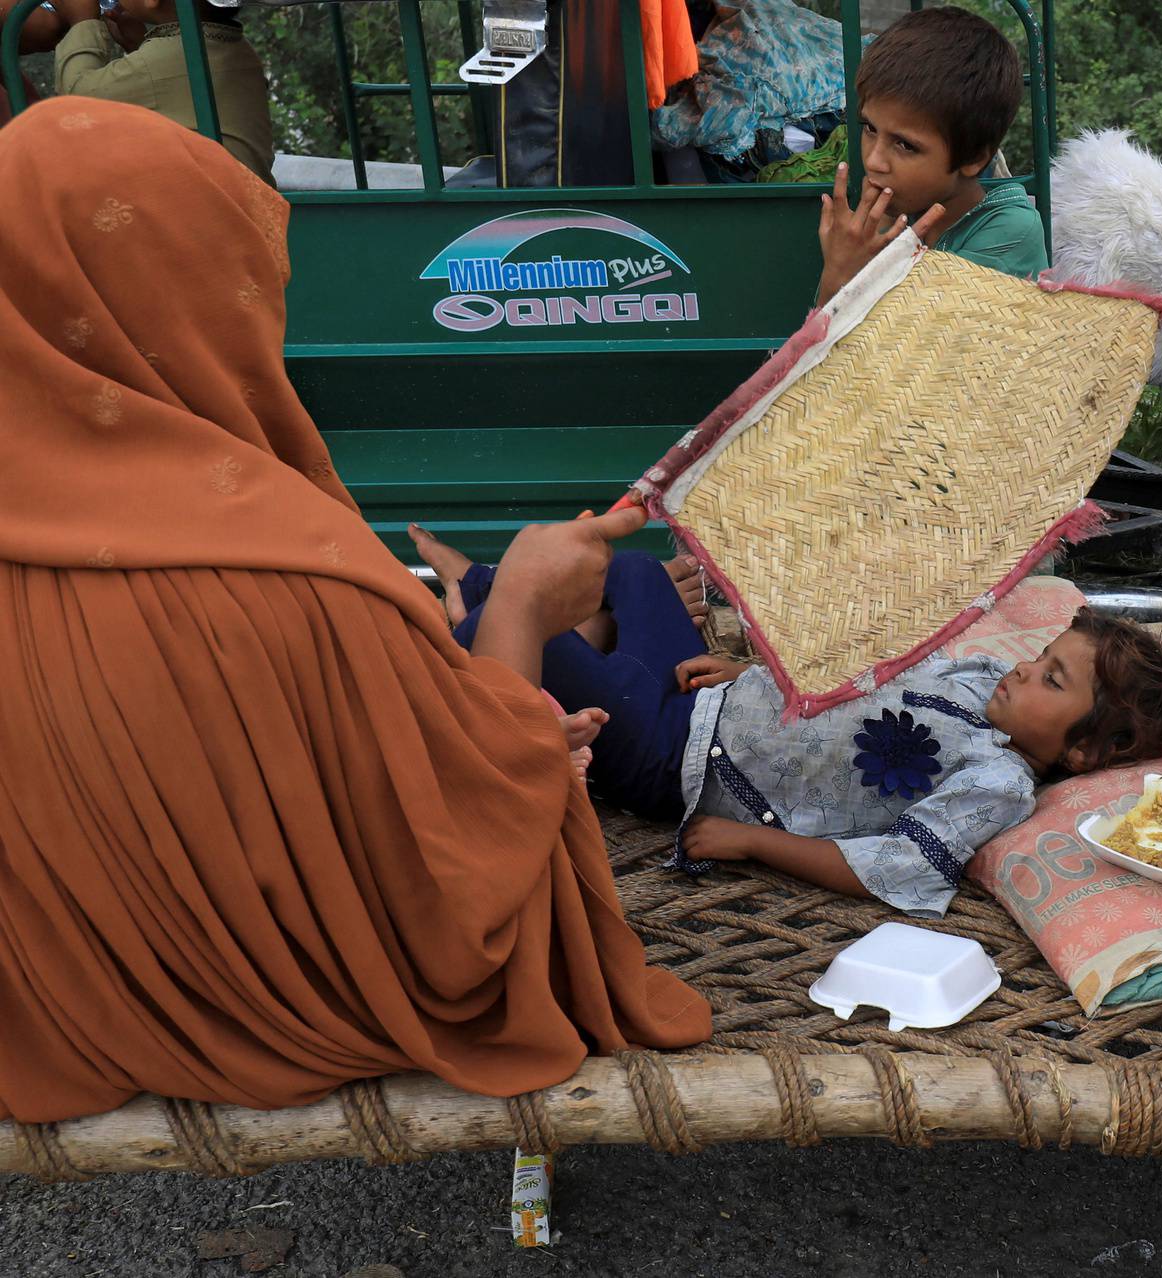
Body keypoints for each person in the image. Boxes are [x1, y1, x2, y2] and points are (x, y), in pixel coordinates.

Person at [0, 100, 710, 1125]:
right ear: (180, 302)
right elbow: (456, 911)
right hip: (292, 1009)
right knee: (628, 592)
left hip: (68, 1020)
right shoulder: (297, 583)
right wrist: (516, 610)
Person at [408, 527, 1162, 916]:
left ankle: (476, 607)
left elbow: (906, 864)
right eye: (1039, 655)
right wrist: (750, 673)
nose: (1021, 667)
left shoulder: (997, 782)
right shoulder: (979, 683)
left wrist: (756, 842)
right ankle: (507, 601)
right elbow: (859, 687)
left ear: (1079, 751)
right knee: (631, 571)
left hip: (672, 757)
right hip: (699, 694)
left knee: (500, 632)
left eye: (1050, 679)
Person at [813, 6, 1047, 305]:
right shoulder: (903, 212)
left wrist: (843, 275)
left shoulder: (1009, 232)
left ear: (973, 158)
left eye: (905, 146)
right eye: (870, 128)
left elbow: (913, 341)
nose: (873, 161)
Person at [46, 0, 273, 184]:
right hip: (247, 207)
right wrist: (140, 45)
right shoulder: (233, 47)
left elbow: (78, 97)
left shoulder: (167, 59)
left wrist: (82, 21)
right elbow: (176, 88)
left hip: (208, 217)